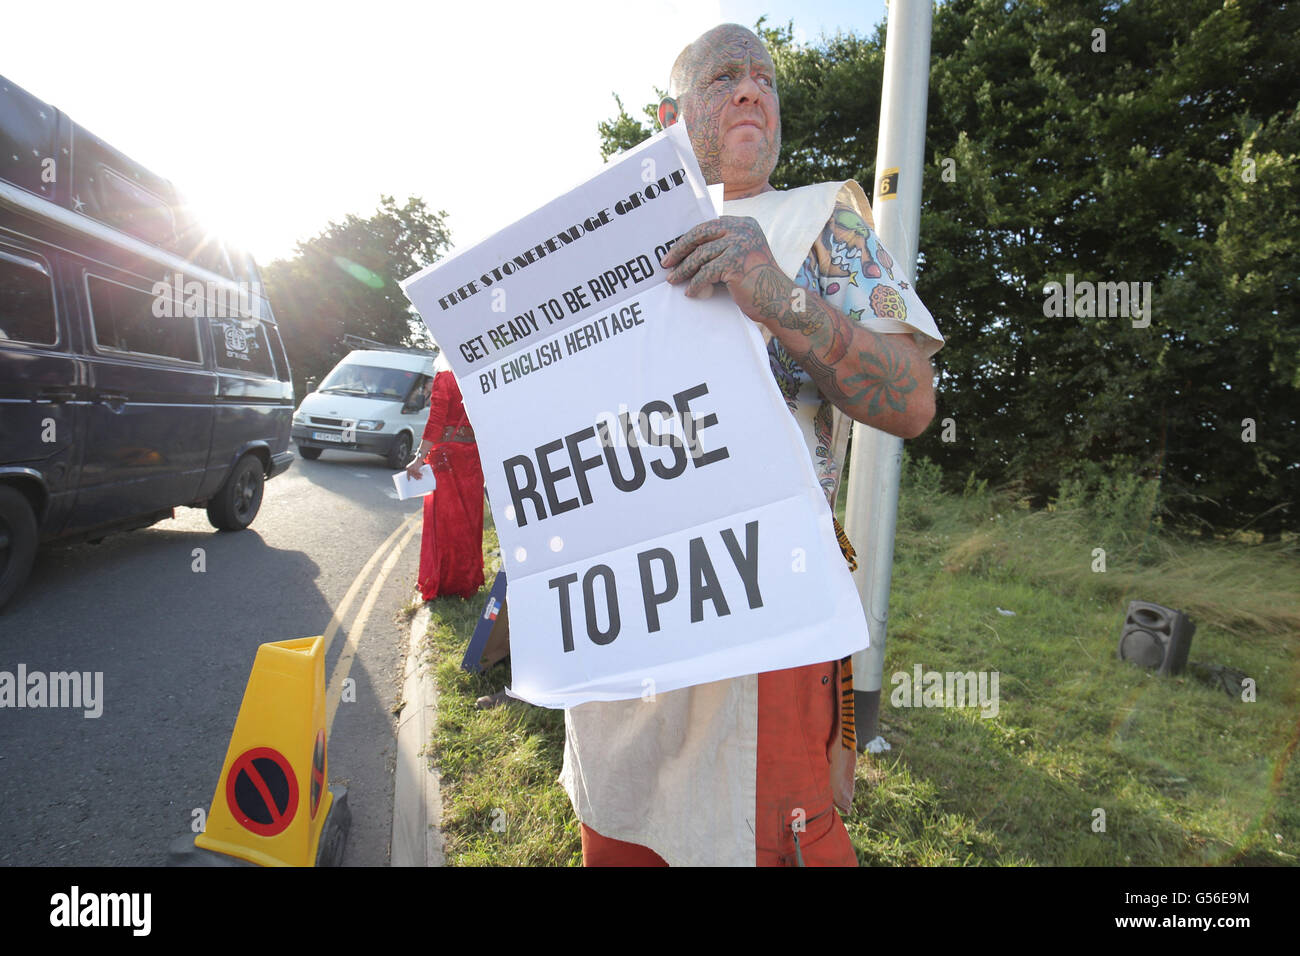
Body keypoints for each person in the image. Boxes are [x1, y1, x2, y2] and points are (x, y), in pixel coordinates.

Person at [558, 23, 945, 867]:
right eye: (724, 76)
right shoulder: (603, 244)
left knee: (765, 834)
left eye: (765, 79)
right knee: (622, 826)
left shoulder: (825, 226)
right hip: (627, 610)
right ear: (670, 115)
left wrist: (777, 296)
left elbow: (913, 401)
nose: (751, 90)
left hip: (766, 607)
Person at [407, 352, 485, 601]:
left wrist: (419, 458)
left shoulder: (444, 378)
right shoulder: (478, 375)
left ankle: (444, 582)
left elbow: (436, 422)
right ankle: (467, 581)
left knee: (445, 522)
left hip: (447, 457)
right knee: (469, 519)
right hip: (472, 456)